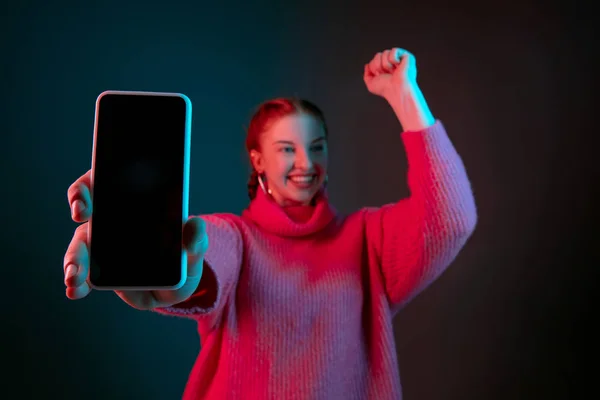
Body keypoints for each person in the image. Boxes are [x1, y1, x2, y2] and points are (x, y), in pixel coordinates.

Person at [64, 47, 478, 400]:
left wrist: (404, 95)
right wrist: (167, 265)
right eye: (287, 149)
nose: (305, 164)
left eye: (316, 148)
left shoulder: (368, 239)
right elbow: (204, 255)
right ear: (257, 159)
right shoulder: (239, 239)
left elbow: (450, 218)